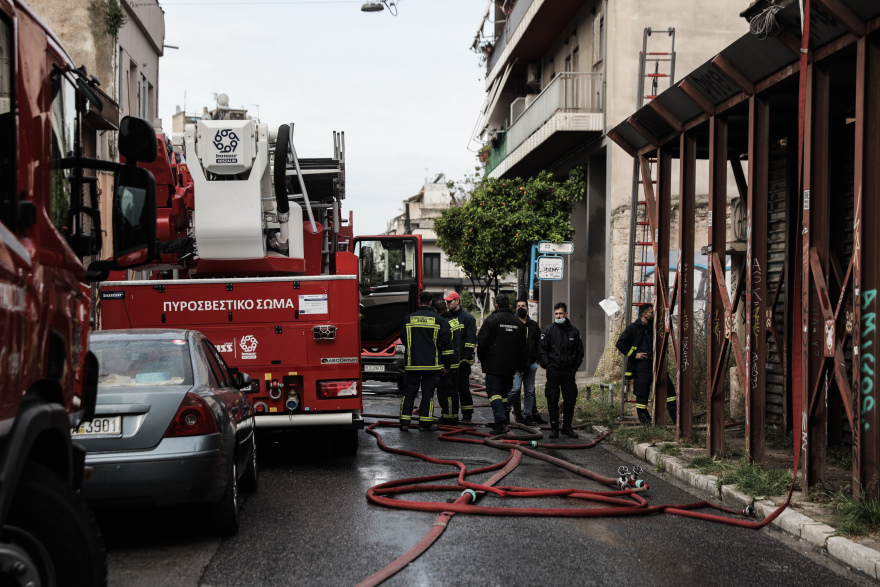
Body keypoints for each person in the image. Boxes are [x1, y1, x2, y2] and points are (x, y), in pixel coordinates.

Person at [399, 291, 452, 431]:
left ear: (419, 301)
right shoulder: (438, 320)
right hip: (431, 365)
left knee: (409, 393)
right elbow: (445, 343)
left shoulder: (409, 319)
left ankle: (405, 423)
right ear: (430, 303)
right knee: (427, 394)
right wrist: (446, 365)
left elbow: (404, 339)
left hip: (412, 364)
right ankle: (424, 424)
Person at [616, 303, 675, 426]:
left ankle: (676, 420)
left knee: (670, 393)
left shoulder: (654, 328)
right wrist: (635, 354)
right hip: (642, 368)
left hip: (657, 365)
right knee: (642, 397)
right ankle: (647, 424)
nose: (653, 315)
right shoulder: (633, 328)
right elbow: (620, 344)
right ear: (644, 314)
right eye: (651, 313)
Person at [477, 294, 527, 435]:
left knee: (494, 394)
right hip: (510, 366)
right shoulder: (518, 323)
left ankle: (500, 423)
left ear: (496, 305)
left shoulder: (491, 320)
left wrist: (483, 359)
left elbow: (482, 342)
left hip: (493, 365)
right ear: (509, 306)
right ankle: (503, 419)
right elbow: (524, 347)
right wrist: (521, 366)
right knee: (504, 394)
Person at [539, 302, 584, 439]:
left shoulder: (574, 331)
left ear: (566, 314)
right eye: (556, 314)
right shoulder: (548, 330)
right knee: (552, 398)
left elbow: (579, 351)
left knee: (570, 398)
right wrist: (548, 366)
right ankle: (554, 428)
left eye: (561, 313)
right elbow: (542, 350)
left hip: (569, 371)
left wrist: (574, 367)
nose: (558, 316)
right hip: (553, 370)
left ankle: (567, 427)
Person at [507, 299, 545, 425]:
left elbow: (539, 343)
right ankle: (505, 411)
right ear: (515, 308)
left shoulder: (534, 325)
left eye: (523, 306)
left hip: (531, 364)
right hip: (516, 366)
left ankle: (528, 416)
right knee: (515, 389)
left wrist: (537, 359)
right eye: (518, 306)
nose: (521, 308)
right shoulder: (512, 324)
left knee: (529, 391)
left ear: (527, 309)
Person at [445, 292, 477, 421]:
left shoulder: (467, 318)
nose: (447, 304)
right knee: (450, 389)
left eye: (450, 301)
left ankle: (467, 414)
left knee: (463, 388)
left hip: (462, 361)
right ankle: (452, 414)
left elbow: (471, 340)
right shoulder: (447, 318)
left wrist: (466, 357)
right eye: (447, 302)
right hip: (450, 360)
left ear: (457, 301)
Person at [433, 299, 463, 425]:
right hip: (456, 360)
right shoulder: (454, 320)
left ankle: (448, 417)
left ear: (436, 311)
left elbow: (445, 345)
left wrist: (446, 365)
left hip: (447, 362)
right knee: (453, 391)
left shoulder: (442, 323)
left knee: (446, 391)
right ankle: (453, 415)